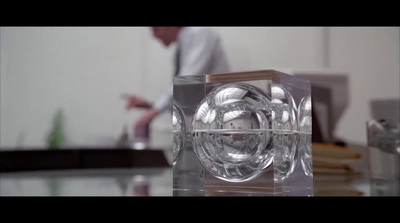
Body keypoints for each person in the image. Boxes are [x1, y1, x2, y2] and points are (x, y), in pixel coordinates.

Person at [122, 27, 231, 131]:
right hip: (205, 122)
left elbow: (187, 79)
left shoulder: (200, 32)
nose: (154, 35)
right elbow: (183, 92)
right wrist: (150, 105)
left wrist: (154, 111)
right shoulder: (185, 40)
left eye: (155, 29)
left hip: (218, 122)